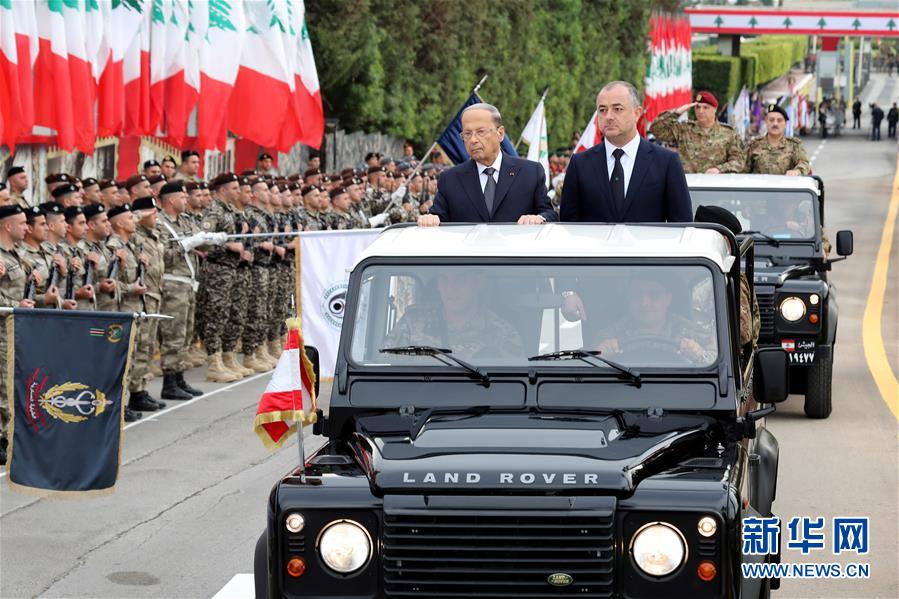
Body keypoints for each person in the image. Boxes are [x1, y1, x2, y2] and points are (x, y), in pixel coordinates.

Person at [561, 81, 692, 223]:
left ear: (637, 113)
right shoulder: (580, 164)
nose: (609, 116)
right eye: (602, 110)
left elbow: (681, 224)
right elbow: (569, 225)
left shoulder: (666, 162)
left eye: (617, 109)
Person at [420, 103, 556, 226]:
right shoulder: (450, 179)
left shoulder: (530, 173)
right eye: (467, 133)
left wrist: (538, 218)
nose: (473, 140)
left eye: (481, 132)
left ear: (500, 133)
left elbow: (550, 215)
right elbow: (438, 217)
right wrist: (430, 219)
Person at [383, 269, 523, 362]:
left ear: (478, 283)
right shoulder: (413, 322)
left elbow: (510, 386)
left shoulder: (501, 332)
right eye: (444, 278)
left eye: (460, 278)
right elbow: (383, 367)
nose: (451, 287)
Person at [594, 273, 716, 365]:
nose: (644, 302)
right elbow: (585, 363)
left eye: (654, 294)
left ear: (668, 299)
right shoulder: (609, 334)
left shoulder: (693, 332)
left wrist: (699, 355)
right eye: (637, 294)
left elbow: (719, 363)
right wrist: (600, 355)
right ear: (628, 299)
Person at [200, 173, 250, 382]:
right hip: (217, 269)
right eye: (234, 188)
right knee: (216, 315)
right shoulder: (213, 210)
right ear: (222, 190)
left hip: (231, 269)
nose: (238, 192)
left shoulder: (229, 211)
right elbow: (203, 241)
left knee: (229, 314)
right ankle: (214, 361)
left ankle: (227, 357)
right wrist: (228, 245)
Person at [0, 205, 38, 464]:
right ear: (7, 226)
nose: (27, 227)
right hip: (3, 329)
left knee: (13, 384)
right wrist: (14, 305)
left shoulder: (17, 254)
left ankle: (9, 435)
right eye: (23, 223)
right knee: (3, 385)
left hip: (17, 328)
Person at [649, 90, 746, 174]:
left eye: (705, 107)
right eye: (698, 107)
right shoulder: (684, 129)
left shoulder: (729, 133)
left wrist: (719, 169)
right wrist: (676, 113)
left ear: (715, 109)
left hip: (716, 186)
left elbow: (739, 161)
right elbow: (656, 129)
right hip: (688, 185)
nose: (701, 111)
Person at [746, 104, 811, 175]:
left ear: (785, 124)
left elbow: (804, 163)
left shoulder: (794, 145)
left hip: (786, 185)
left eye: (779, 120)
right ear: (766, 122)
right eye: (771, 120)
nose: (775, 124)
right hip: (760, 185)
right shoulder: (754, 144)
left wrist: (797, 171)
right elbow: (743, 168)